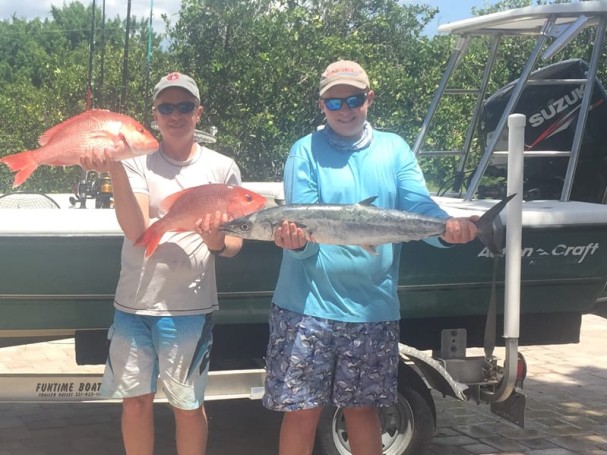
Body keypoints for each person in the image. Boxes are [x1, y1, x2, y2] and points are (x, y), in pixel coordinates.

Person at [262, 60, 479, 455]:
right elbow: (304, 224)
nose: (345, 109)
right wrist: (297, 242)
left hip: (371, 310)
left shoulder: (394, 149)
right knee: (301, 411)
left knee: (362, 410)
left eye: (354, 99)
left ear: (370, 99)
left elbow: (419, 206)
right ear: (321, 105)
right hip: (305, 308)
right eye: (334, 101)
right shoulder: (303, 151)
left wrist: (449, 229)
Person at [81, 72, 244, 455]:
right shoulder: (137, 161)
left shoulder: (222, 167)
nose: (176, 114)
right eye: (166, 107)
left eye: (184, 106)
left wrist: (217, 240)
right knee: (135, 401)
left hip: (190, 310)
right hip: (133, 306)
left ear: (199, 113)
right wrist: (115, 166)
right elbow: (137, 228)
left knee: (187, 405)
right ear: (155, 114)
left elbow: (237, 242)